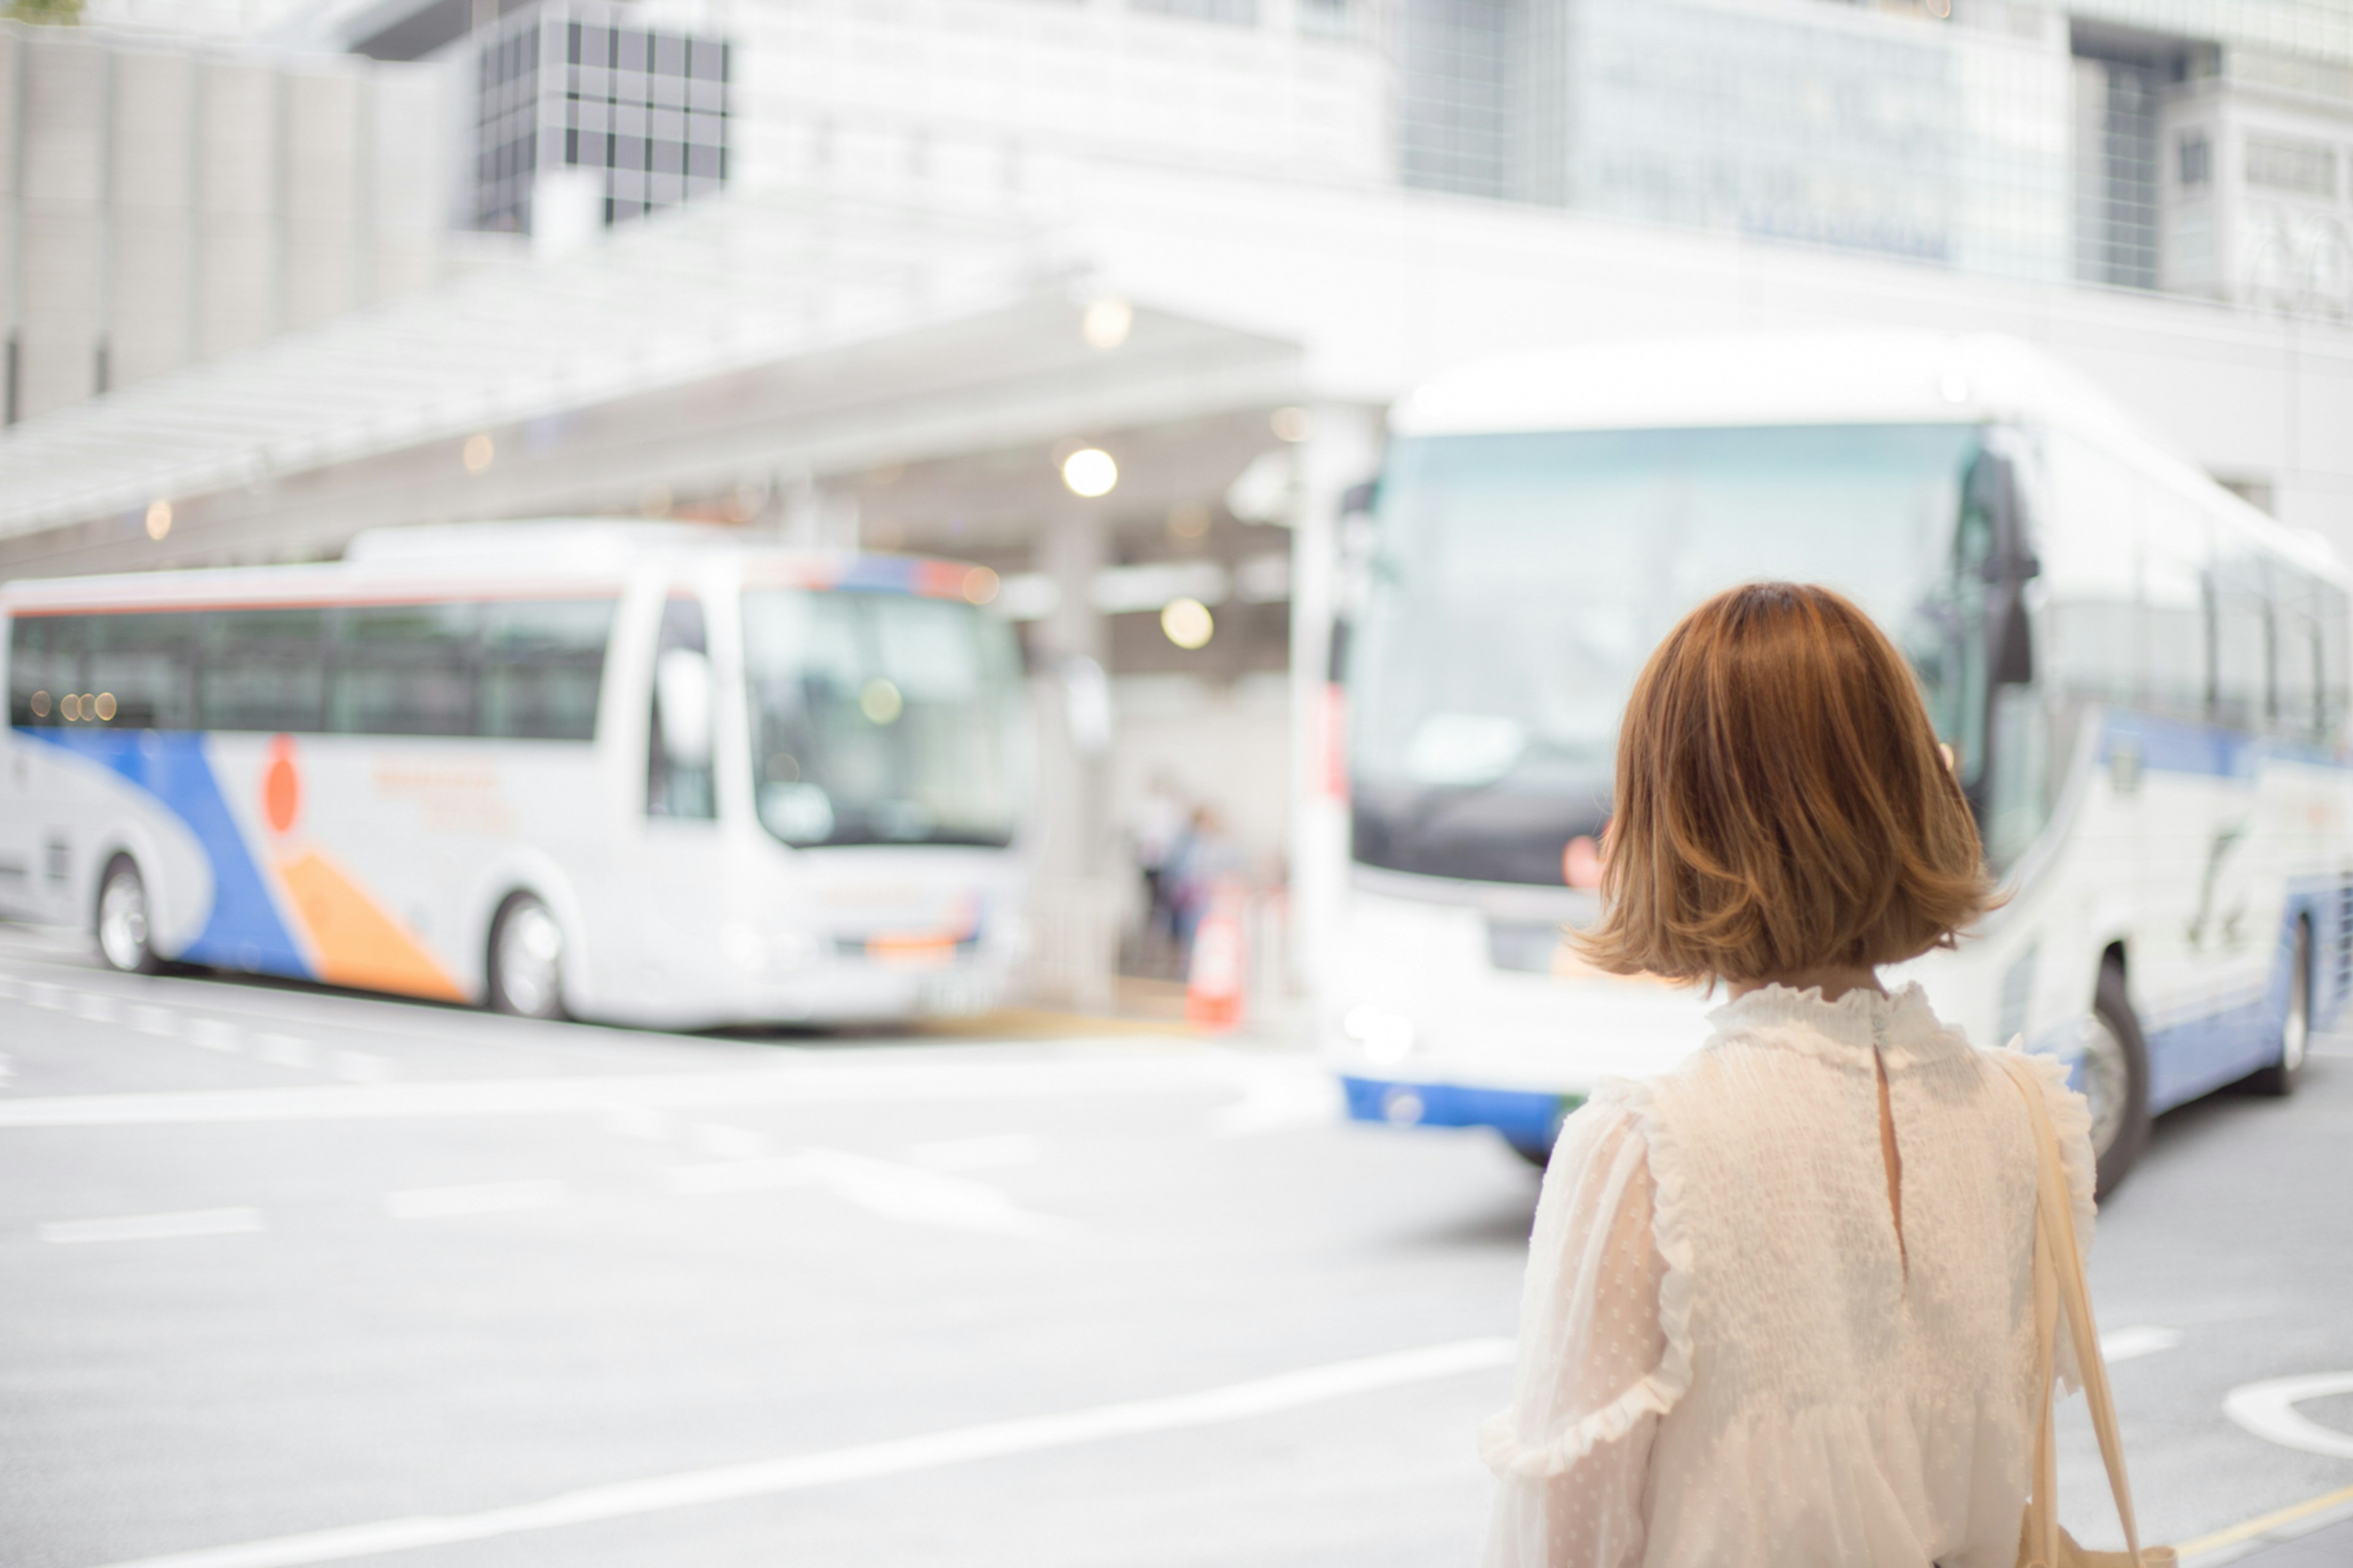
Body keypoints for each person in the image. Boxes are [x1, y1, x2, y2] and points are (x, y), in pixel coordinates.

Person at [1480, 583, 2095, 1567]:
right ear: (1908, 795)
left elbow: (1569, 1541)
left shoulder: (1646, 1153)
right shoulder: (2021, 1119)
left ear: (1678, 824)